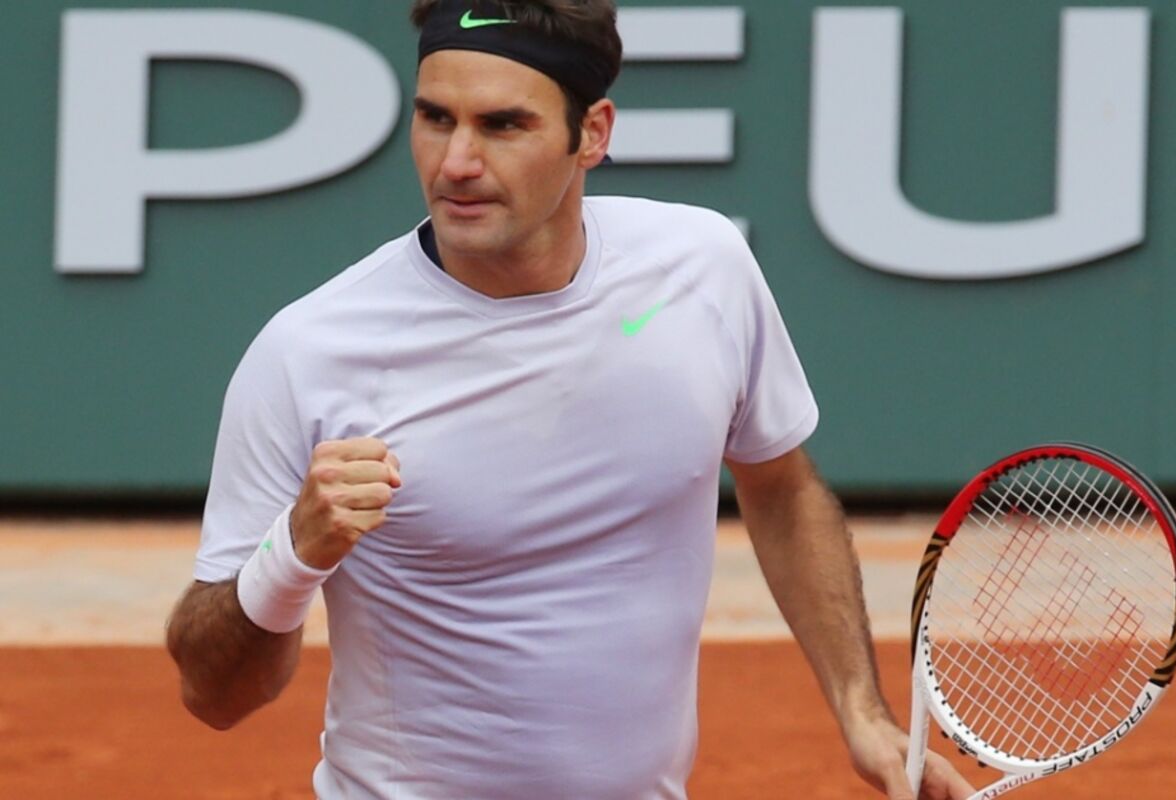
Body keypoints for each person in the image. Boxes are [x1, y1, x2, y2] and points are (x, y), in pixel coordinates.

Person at [166, 1, 975, 798]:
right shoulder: (309, 353)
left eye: (502, 125)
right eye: (435, 118)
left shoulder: (702, 268)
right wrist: (292, 554)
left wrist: (861, 710)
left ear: (591, 134)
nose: (455, 163)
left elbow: (783, 490)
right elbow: (213, 697)